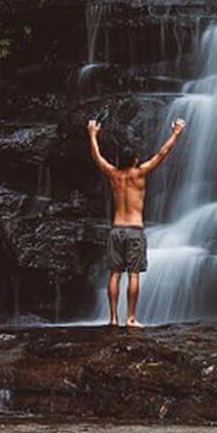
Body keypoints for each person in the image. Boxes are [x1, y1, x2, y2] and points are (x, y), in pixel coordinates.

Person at [88, 116, 186, 327]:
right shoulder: (140, 173)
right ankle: (130, 318)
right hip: (134, 230)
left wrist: (92, 134)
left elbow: (97, 157)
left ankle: (113, 318)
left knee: (114, 274)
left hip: (116, 230)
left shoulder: (113, 174)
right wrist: (176, 132)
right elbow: (162, 154)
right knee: (133, 274)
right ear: (134, 160)